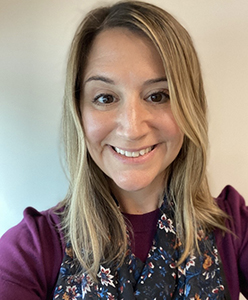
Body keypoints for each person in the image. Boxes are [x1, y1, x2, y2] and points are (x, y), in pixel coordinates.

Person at [0, 1, 247, 299]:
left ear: (189, 106)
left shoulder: (233, 230)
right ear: (78, 111)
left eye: (158, 95)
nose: (132, 128)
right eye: (105, 98)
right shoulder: (30, 251)